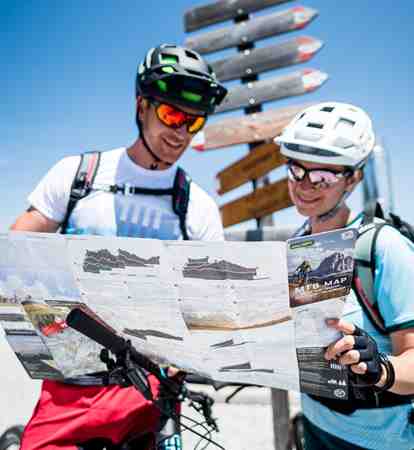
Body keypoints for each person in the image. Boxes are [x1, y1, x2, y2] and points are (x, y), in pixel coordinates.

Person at [11, 43, 227, 450]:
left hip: (153, 392)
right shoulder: (77, 176)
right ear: (141, 105)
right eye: (172, 114)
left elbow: (214, 304)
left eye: (193, 121)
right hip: (72, 387)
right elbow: (16, 253)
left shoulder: (196, 206)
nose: (180, 131)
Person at [275, 102, 414, 450]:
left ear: (353, 177)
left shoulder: (383, 248)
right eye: (296, 170)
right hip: (316, 430)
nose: (305, 185)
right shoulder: (299, 244)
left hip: (383, 441)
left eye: (323, 176)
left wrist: (380, 368)